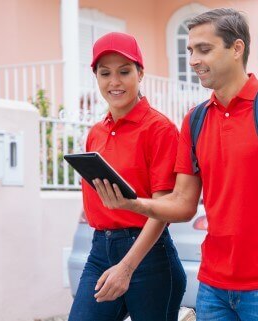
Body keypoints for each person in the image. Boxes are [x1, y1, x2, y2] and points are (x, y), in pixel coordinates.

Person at [93, 9, 258, 321]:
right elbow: (183, 204)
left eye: (204, 49)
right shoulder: (196, 118)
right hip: (212, 289)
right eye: (190, 50)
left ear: (236, 49)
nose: (193, 60)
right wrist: (133, 204)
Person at [68, 32, 186, 321]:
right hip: (100, 250)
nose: (115, 82)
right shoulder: (95, 133)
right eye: (105, 73)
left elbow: (163, 210)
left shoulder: (159, 128)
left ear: (140, 73)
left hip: (149, 258)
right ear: (95, 77)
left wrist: (127, 267)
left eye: (124, 71)